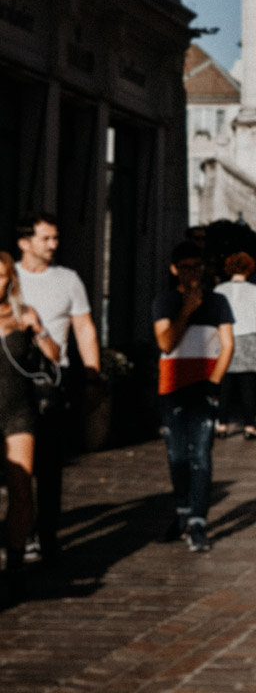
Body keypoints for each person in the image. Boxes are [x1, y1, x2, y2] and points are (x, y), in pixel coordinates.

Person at [14, 212, 99, 565]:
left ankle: (45, 533)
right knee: (16, 466)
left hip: (52, 381)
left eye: (55, 238)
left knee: (49, 464)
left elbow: (84, 328)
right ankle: (21, 530)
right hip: (12, 379)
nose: (53, 245)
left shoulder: (67, 280)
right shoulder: (8, 277)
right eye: (45, 238)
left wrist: (93, 373)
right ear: (25, 242)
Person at [151, 241, 234, 553]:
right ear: (175, 270)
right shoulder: (165, 301)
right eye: (185, 268)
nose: (192, 274)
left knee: (200, 454)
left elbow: (228, 344)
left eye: (197, 267)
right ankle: (183, 512)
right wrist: (186, 309)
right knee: (177, 455)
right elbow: (165, 344)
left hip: (205, 386)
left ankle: (198, 520)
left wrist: (214, 382)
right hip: (171, 388)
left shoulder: (219, 302)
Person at [0, 251, 60, 599]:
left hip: (18, 411)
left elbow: (54, 356)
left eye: (3, 276)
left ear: (11, 280)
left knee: (22, 490)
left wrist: (39, 331)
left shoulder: (24, 315)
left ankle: (17, 562)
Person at [214, 252, 256, 440]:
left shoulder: (219, 290)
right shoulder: (255, 290)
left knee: (225, 386)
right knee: (248, 386)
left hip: (224, 338)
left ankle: (221, 425)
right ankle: (250, 426)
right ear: (249, 269)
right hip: (248, 338)